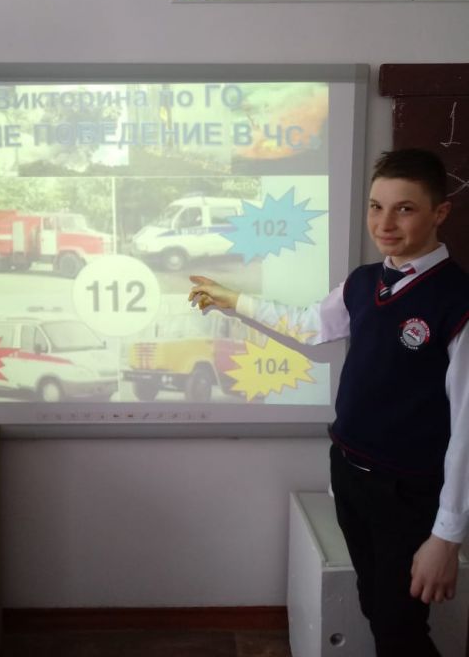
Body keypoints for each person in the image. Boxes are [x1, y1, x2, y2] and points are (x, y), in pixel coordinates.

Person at [188, 148, 469, 657]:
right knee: (375, 608)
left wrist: (446, 537)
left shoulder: (458, 300)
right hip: (349, 472)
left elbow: (467, 429)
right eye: (376, 207)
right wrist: (235, 300)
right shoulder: (363, 281)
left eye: (404, 209)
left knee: (400, 628)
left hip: (409, 493)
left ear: (439, 213)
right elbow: (307, 325)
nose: (384, 223)